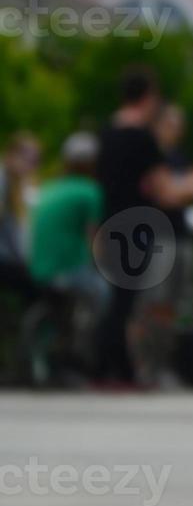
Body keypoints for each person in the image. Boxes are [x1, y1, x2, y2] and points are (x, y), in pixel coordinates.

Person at [94, 67, 193, 387]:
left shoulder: (105, 132)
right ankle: (122, 371)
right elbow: (164, 191)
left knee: (114, 300)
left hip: (109, 223)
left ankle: (104, 367)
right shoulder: (143, 138)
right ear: (148, 95)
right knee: (129, 303)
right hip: (138, 227)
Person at [134, 103, 193, 387]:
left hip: (180, 237)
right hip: (156, 237)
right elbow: (166, 195)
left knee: (173, 307)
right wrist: (182, 188)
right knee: (151, 304)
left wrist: (179, 189)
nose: (177, 130)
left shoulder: (179, 158)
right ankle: (143, 366)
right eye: (171, 124)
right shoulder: (150, 156)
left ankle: (160, 367)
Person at [26, 132, 109, 370]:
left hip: (37, 268)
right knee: (102, 291)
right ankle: (81, 346)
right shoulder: (90, 191)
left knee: (60, 306)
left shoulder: (48, 189)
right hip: (66, 271)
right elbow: (94, 238)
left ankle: (50, 346)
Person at [0, 133, 41, 304]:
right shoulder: (3, 181)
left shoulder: (22, 185)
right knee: (38, 283)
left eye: (35, 161)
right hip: (5, 258)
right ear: (12, 155)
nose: (31, 166)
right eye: (28, 160)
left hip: (13, 257)